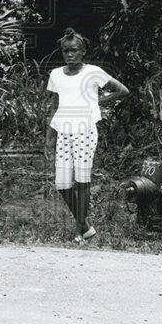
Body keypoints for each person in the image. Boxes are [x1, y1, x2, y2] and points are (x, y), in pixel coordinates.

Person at [45, 28, 129, 243]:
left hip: (85, 130)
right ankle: (85, 225)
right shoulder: (56, 75)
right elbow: (54, 106)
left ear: (83, 52)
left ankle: (78, 231)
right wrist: (49, 137)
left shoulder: (93, 72)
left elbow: (122, 90)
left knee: (82, 180)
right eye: (65, 51)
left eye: (74, 51)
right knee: (62, 183)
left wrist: (95, 103)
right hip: (63, 131)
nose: (69, 55)